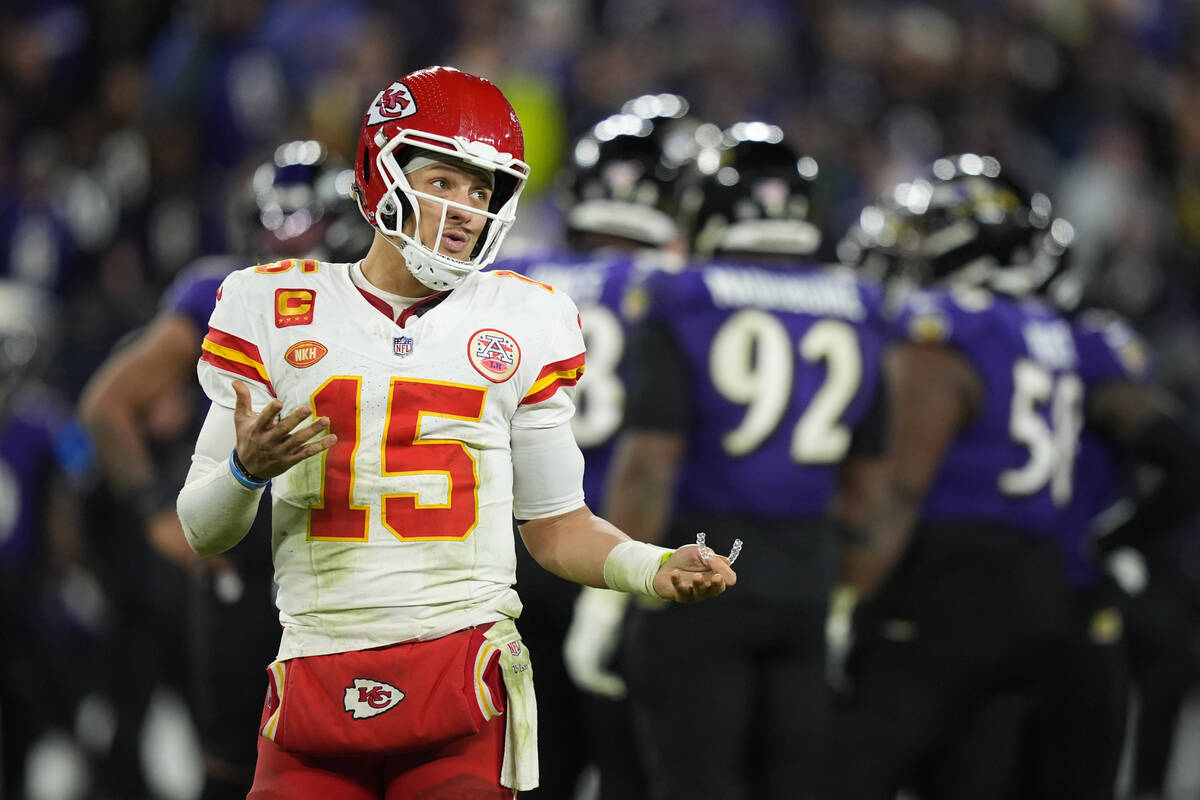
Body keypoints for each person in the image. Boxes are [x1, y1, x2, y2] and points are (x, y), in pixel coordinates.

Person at [174, 65, 737, 799]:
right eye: (445, 180)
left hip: (462, 681)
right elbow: (202, 529)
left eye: (484, 190)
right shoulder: (272, 307)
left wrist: (650, 567)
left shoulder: (524, 319)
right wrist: (246, 472)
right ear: (383, 171)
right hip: (313, 678)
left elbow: (557, 528)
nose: (468, 209)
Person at [831, 153, 1200, 800]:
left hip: (964, 595)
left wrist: (1111, 540)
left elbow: (901, 488)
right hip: (1041, 605)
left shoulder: (961, 334)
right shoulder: (1054, 337)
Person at [593, 122, 887, 800]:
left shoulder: (686, 293)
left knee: (695, 782)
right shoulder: (861, 306)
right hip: (808, 577)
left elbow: (650, 467)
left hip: (700, 570)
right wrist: (840, 600)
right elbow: (866, 486)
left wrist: (608, 606)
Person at [78, 139, 370, 798]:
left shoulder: (380, 293)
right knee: (238, 765)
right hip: (253, 551)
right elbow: (107, 404)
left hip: (350, 558)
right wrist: (159, 514)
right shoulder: (220, 293)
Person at [491, 92, 704, 800]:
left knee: (527, 772)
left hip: (520, 546)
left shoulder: (513, 280)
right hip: (626, 551)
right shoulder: (685, 290)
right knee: (631, 773)